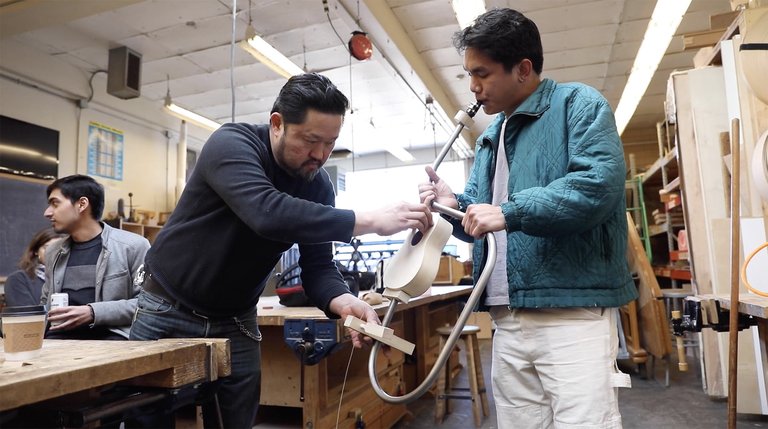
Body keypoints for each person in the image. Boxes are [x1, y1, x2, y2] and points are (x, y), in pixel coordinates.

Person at [130, 73, 433, 428]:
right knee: (146, 421)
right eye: (310, 140)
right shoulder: (232, 144)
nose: (320, 155)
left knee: (236, 422)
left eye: (331, 143)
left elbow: (318, 268)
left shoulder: (317, 186)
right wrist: (367, 220)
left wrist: (341, 300)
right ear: (277, 124)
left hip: (236, 319)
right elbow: (266, 213)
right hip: (168, 308)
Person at [419, 9, 638, 429]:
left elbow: (596, 186)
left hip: (570, 312)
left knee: (584, 423)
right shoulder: (490, 135)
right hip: (507, 316)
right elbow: (488, 215)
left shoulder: (578, 104)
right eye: (469, 74)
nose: (473, 87)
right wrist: (455, 203)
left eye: (481, 73)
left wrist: (508, 211)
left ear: (522, 69)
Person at [40, 174, 150, 340]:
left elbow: (148, 304)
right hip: (57, 339)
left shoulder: (133, 246)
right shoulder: (53, 251)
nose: (47, 213)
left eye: (55, 204)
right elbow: (44, 302)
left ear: (82, 204)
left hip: (111, 339)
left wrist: (93, 312)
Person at [4, 228, 62, 307]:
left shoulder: (72, 279)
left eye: (59, 249)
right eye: (47, 248)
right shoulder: (18, 280)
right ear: (36, 251)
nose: (53, 253)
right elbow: (25, 316)